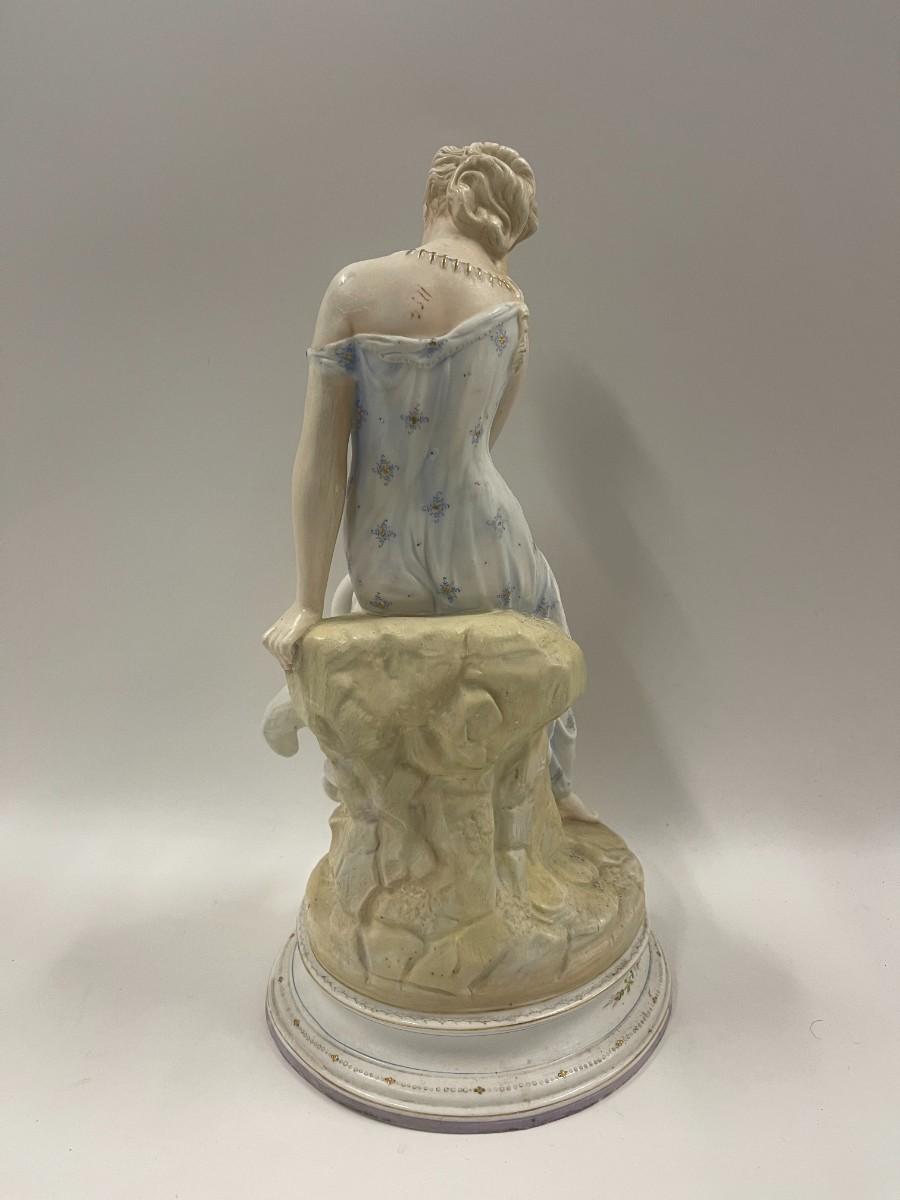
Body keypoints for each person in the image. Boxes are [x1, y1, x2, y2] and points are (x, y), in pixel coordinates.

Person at [263, 142, 597, 822]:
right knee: (543, 600)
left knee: (350, 598)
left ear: (438, 196)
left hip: (382, 561)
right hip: (486, 555)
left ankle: (313, 710)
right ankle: (553, 794)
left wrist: (306, 604)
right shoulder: (512, 308)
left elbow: (322, 460)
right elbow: (481, 445)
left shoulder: (353, 288)